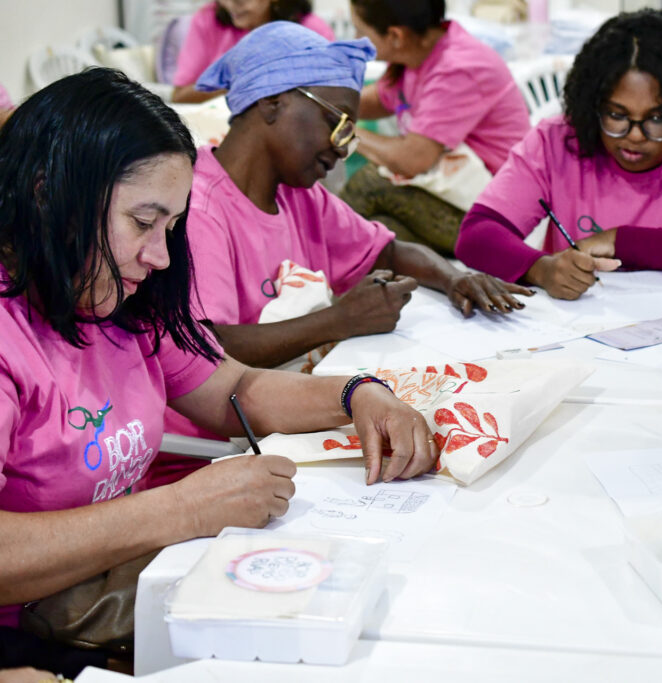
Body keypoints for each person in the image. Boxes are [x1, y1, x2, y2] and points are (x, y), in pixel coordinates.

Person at [0, 68, 436, 671]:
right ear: (49, 193)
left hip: (114, 591)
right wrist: (183, 508)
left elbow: (233, 386)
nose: (159, 257)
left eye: (172, 230)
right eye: (142, 223)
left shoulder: (121, 303)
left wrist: (360, 394)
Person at [145, 22, 530, 488]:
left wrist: (453, 280)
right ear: (272, 102)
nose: (344, 148)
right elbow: (207, 354)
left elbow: (390, 250)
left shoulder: (299, 196)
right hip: (217, 448)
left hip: (277, 413)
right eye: (338, 122)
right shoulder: (200, 209)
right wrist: (339, 321)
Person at [455, 9, 662, 300]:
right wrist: (540, 269)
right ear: (593, 106)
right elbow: (477, 234)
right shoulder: (557, 141)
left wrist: (620, 242)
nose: (635, 135)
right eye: (617, 116)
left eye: (658, 119)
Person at [340, 0, 530, 255]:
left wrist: (345, 130)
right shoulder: (418, 56)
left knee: (370, 183)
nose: (355, 39)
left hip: (498, 220)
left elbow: (411, 160)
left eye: (361, 31)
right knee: (379, 232)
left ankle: (320, 268)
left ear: (396, 35)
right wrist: (323, 102)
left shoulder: (459, 67)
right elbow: (378, 100)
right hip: (455, 201)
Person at [171, 0, 333, 103]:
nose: (228, 5)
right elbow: (179, 97)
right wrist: (240, 80)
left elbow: (332, 98)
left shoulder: (311, 31)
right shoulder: (208, 20)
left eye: (239, 1)